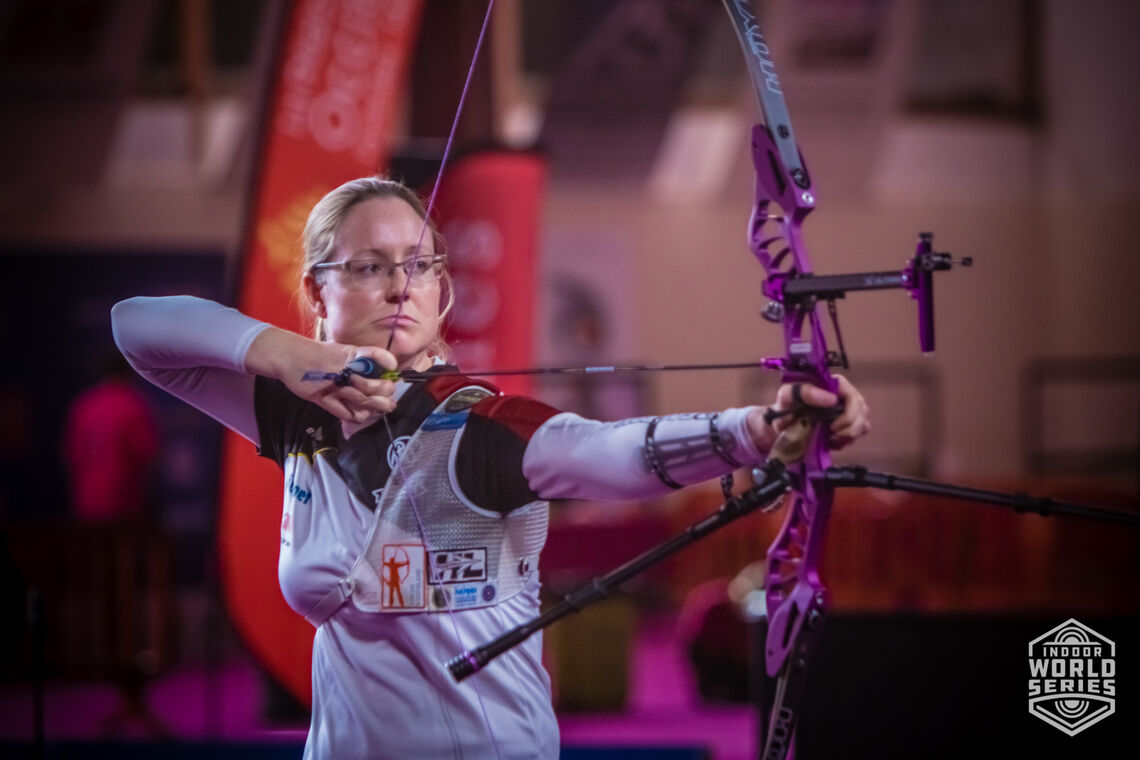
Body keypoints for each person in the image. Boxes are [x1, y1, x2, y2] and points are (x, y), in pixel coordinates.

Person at [111, 176, 870, 760]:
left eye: (418, 266)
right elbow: (137, 328)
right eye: (370, 267)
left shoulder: (482, 429)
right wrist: (291, 355)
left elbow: (604, 452)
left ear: (443, 290)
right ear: (317, 289)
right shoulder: (292, 411)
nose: (400, 286)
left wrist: (760, 428)